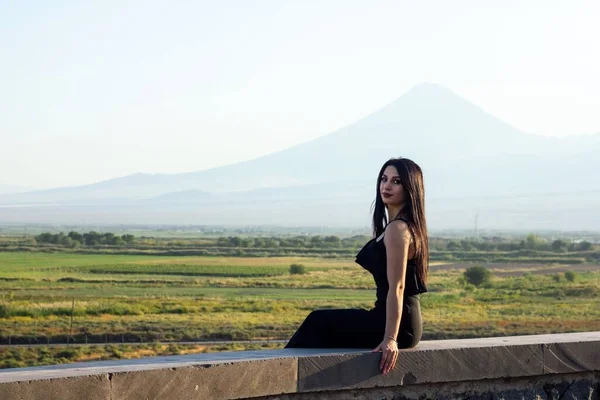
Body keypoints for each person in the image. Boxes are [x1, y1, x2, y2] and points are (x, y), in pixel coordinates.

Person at [285, 157, 429, 375]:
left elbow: (397, 287)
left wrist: (390, 339)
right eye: (384, 179)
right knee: (320, 324)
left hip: (395, 326)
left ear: (411, 188)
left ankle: (279, 375)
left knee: (317, 322)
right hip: (398, 322)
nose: (387, 186)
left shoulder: (398, 230)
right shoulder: (402, 226)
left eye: (396, 181)